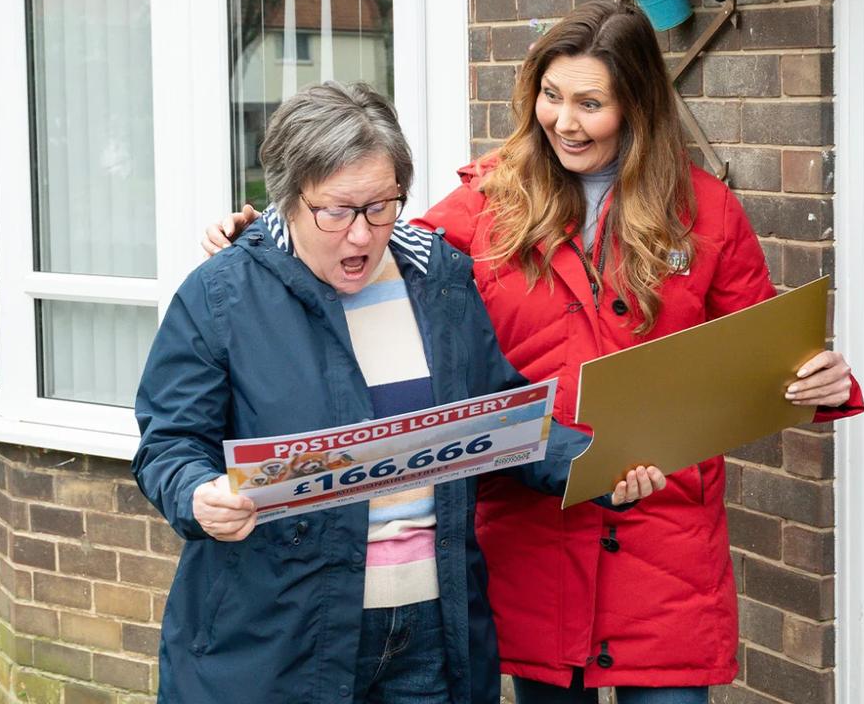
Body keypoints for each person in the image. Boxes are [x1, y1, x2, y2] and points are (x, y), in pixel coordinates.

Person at [134, 81, 665, 704]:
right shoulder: (221, 295)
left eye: (381, 206)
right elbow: (169, 445)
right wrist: (198, 496)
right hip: (282, 635)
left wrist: (597, 465)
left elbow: (498, 417)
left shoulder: (439, 280)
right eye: (336, 211)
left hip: (432, 633)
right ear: (288, 200)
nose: (361, 235)